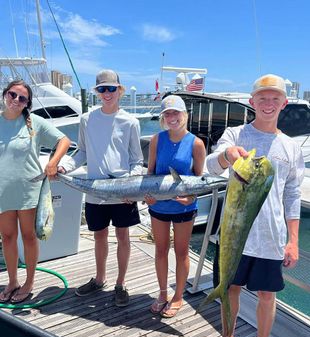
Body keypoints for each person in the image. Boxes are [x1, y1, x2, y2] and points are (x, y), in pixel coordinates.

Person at [206, 74, 305, 337]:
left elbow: (293, 196)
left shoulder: (291, 147)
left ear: (284, 103)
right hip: (233, 237)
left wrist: (293, 241)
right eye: (262, 98)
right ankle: (228, 336)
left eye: (275, 98)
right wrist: (227, 155)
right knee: (229, 289)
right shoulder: (236, 134)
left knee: (267, 294)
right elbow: (212, 164)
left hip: (271, 239)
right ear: (252, 102)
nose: (268, 103)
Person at [58, 69, 143, 307]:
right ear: (97, 92)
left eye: (111, 89)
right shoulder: (87, 119)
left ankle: (120, 283)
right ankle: (99, 278)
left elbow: (137, 160)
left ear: (120, 90)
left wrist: (131, 187)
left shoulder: (131, 122)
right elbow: (82, 152)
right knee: (99, 236)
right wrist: (65, 166)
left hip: (123, 192)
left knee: (123, 236)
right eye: (102, 89)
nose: (107, 93)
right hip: (95, 190)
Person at [0, 80, 71, 304]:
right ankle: (13, 281)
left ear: (27, 102)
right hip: (2, 191)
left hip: (29, 189)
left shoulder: (34, 122)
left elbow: (64, 140)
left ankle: (29, 282)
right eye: (13, 95)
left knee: (29, 236)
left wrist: (53, 163)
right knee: (7, 237)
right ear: (5, 94)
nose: (16, 100)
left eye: (22, 98)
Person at [144, 95, 206, 317]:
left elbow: (199, 181)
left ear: (184, 115)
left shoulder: (196, 143)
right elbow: (150, 173)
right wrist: (147, 195)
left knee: (181, 253)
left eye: (175, 113)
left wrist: (191, 199)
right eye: (167, 114)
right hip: (158, 207)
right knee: (160, 250)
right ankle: (162, 293)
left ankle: (178, 296)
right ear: (163, 118)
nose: (172, 118)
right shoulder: (156, 140)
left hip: (184, 209)